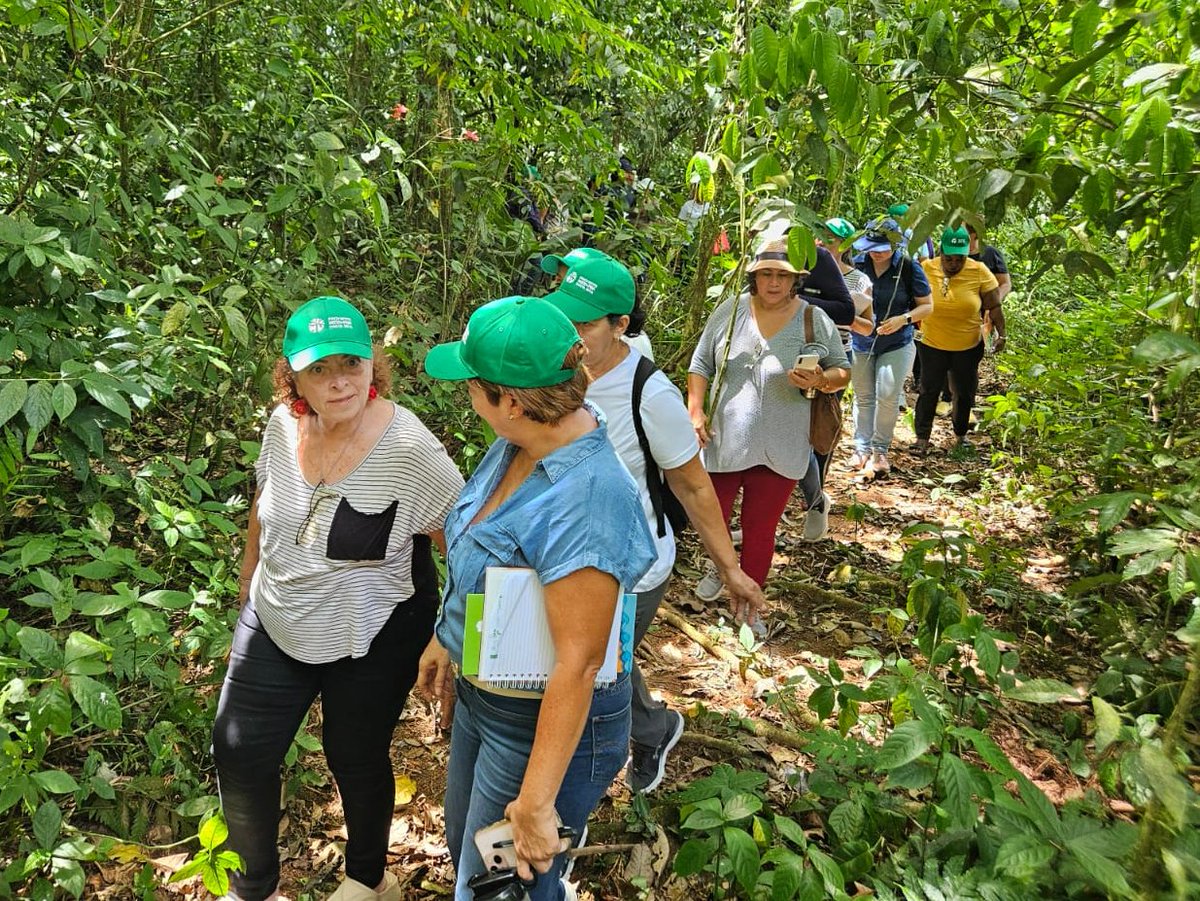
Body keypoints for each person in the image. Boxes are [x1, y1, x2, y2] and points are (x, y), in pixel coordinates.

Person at [213, 296, 465, 901]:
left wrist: (449, 632)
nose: (338, 382)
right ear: (292, 375)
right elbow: (263, 502)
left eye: (351, 364)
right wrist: (249, 574)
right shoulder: (281, 424)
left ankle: (367, 878)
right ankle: (254, 886)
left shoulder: (411, 450)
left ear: (373, 365)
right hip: (276, 616)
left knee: (353, 755)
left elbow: (468, 542)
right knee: (238, 748)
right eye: (319, 369)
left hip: (373, 632)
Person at [418, 296, 657, 901]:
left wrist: (536, 801)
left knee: (504, 884)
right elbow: (481, 553)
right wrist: (450, 637)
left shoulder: (587, 498)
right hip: (488, 703)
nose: (469, 398)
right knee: (467, 849)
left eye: (474, 387)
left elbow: (577, 661)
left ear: (514, 401)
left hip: (541, 728)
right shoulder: (519, 444)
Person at [543, 250, 765, 793]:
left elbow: (692, 486)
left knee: (591, 670)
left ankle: (607, 762)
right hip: (563, 554)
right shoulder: (553, 370)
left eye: (584, 324)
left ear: (620, 325)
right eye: (563, 319)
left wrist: (730, 569)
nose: (569, 335)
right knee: (586, 660)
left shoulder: (651, 394)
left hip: (632, 565)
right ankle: (656, 725)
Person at [688, 239, 850, 578]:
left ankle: (750, 608)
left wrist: (819, 380)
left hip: (784, 442)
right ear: (754, 277)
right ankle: (723, 571)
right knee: (712, 517)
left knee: (760, 529)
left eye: (782, 275)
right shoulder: (731, 311)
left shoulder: (813, 317)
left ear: (796, 281)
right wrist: (695, 411)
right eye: (766, 274)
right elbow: (701, 362)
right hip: (725, 439)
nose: (773, 283)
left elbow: (842, 370)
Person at [850, 219, 934, 476]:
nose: (877, 253)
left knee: (887, 395)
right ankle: (861, 448)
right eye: (873, 248)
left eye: (884, 248)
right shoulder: (857, 264)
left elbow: (927, 306)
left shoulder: (908, 267)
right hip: (861, 340)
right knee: (863, 396)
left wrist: (903, 319)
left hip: (897, 341)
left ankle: (880, 450)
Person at [913, 226, 1006, 453]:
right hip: (932, 342)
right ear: (941, 252)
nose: (954, 263)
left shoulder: (980, 271)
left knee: (964, 392)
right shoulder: (927, 268)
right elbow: (913, 298)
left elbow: (994, 305)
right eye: (949, 258)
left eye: (960, 258)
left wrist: (1002, 334)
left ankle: (961, 434)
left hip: (968, 344)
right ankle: (922, 438)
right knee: (928, 390)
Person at [966, 222, 1012, 343]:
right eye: (968, 238)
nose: (972, 244)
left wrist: (993, 303)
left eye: (976, 238)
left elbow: (1005, 283)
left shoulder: (991, 253)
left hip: (983, 315)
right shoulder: (950, 253)